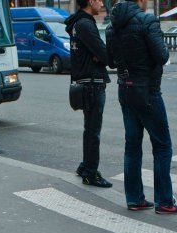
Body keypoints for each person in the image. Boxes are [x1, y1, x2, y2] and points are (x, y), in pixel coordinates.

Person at [106, 0, 177, 214]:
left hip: (125, 88)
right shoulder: (147, 21)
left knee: (132, 147)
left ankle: (134, 198)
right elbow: (161, 56)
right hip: (148, 90)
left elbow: (111, 61)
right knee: (162, 146)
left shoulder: (111, 26)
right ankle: (164, 201)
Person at [66, 0, 113, 188]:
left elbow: (97, 54)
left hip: (86, 82)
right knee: (94, 131)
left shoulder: (78, 23)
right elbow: (105, 55)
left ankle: (85, 166)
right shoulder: (85, 24)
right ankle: (90, 173)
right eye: (99, 0)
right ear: (90, 1)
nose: (102, 3)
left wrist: (98, 55)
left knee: (90, 128)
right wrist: (101, 56)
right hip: (92, 82)